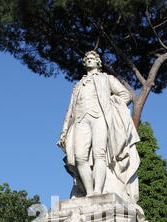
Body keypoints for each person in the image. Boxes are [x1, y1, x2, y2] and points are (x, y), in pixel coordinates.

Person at [58, 50, 140, 202]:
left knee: (99, 154)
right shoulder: (77, 86)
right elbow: (70, 109)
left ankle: (97, 191)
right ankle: (89, 193)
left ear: (98, 62)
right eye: (87, 58)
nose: (89, 60)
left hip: (100, 118)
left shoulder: (107, 78)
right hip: (80, 121)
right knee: (80, 157)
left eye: (92, 58)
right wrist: (64, 131)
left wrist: (111, 105)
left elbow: (125, 95)